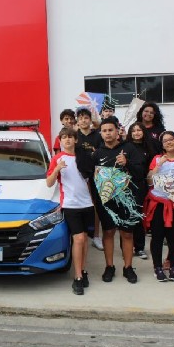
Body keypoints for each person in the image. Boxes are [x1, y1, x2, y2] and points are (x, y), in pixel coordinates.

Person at [91, 117, 144, 284]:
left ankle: (128, 267)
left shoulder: (129, 148)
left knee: (127, 233)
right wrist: (96, 200)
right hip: (106, 201)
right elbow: (93, 180)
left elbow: (140, 173)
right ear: (101, 133)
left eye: (110, 130)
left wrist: (127, 163)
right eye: (104, 131)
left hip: (127, 200)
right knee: (108, 232)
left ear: (117, 131)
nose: (107, 133)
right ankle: (109, 266)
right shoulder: (97, 154)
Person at [46, 128, 95, 295]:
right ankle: (78, 277)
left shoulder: (84, 157)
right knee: (78, 239)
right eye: (64, 137)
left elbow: (90, 180)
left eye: (70, 137)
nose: (67, 140)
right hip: (70, 205)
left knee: (85, 240)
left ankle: (84, 270)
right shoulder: (57, 159)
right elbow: (49, 183)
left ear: (76, 140)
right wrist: (57, 169)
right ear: (60, 141)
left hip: (87, 204)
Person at [143, 131, 174, 282]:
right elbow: (149, 180)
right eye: (165, 141)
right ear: (162, 145)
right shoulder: (157, 159)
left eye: (171, 139)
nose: (169, 142)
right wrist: (159, 165)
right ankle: (157, 267)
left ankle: (173, 267)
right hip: (158, 203)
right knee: (157, 236)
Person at [126, 122, 158, 259]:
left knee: (139, 217)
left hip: (142, 186)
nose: (136, 133)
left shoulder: (148, 148)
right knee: (127, 216)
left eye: (139, 130)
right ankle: (126, 248)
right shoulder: (125, 147)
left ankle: (139, 248)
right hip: (127, 186)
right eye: (133, 131)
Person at [75, 107, 104, 250]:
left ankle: (96, 236)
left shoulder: (98, 135)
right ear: (77, 121)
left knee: (95, 205)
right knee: (80, 205)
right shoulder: (74, 136)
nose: (83, 120)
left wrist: (96, 153)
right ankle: (82, 234)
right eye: (80, 118)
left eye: (86, 118)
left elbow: (103, 153)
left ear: (90, 120)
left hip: (96, 174)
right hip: (78, 175)